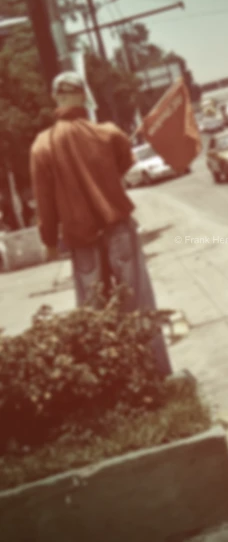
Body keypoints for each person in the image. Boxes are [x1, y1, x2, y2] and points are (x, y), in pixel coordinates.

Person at [29, 71, 172, 377]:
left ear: (56, 98)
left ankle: (113, 381)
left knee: (95, 313)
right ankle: (156, 375)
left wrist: (50, 242)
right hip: (118, 229)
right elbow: (124, 164)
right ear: (83, 95)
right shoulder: (109, 134)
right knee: (138, 303)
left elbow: (45, 203)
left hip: (81, 240)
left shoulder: (43, 146)